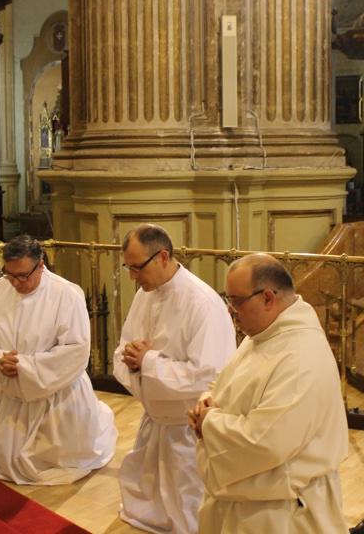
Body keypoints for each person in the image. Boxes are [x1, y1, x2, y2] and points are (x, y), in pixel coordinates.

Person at [190, 254, 348, 533]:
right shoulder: (265, 334)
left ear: (267, 298)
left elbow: (266, 442)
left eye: (236, 301)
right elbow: (226, 383)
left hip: (282, 513)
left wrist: (208, 422)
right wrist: (206, 402)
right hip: (249, 501)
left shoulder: (300, 356)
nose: (230, 310)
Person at [114, 224, 236, 534]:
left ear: (163, 256)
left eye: (137, 267)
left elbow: (208, 376)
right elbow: (125, 346)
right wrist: (132, 358)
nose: (132, 277)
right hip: (156, 420)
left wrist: (147, 362)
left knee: (189, 515)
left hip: (186, 427)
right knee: (149, 501)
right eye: (128, 268)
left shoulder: (202, 303)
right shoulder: (146, 294)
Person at [0, 235, 117, 484]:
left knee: (57, 460)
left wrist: (25, 366)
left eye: (23, 275)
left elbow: (76, 349)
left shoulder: (66, 294)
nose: (16, 283)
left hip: (56, 396)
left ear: (41, 265)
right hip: (12, 393)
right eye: (10, 274)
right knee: (4, 457)